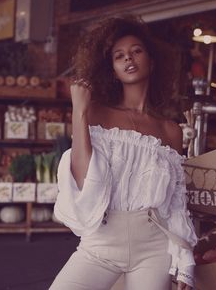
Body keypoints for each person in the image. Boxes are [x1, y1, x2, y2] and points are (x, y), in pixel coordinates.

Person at [49, 15, 198, 290]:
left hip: (154, 247)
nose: (128, 59)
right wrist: (79, 110)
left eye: (136, 51)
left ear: (152, 62)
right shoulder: (96, 112)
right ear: (113, 70)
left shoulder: (170, 130)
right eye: (119, 56)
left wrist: (184, 260)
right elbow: (82, 178)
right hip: (101, 242)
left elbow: (176, 202)